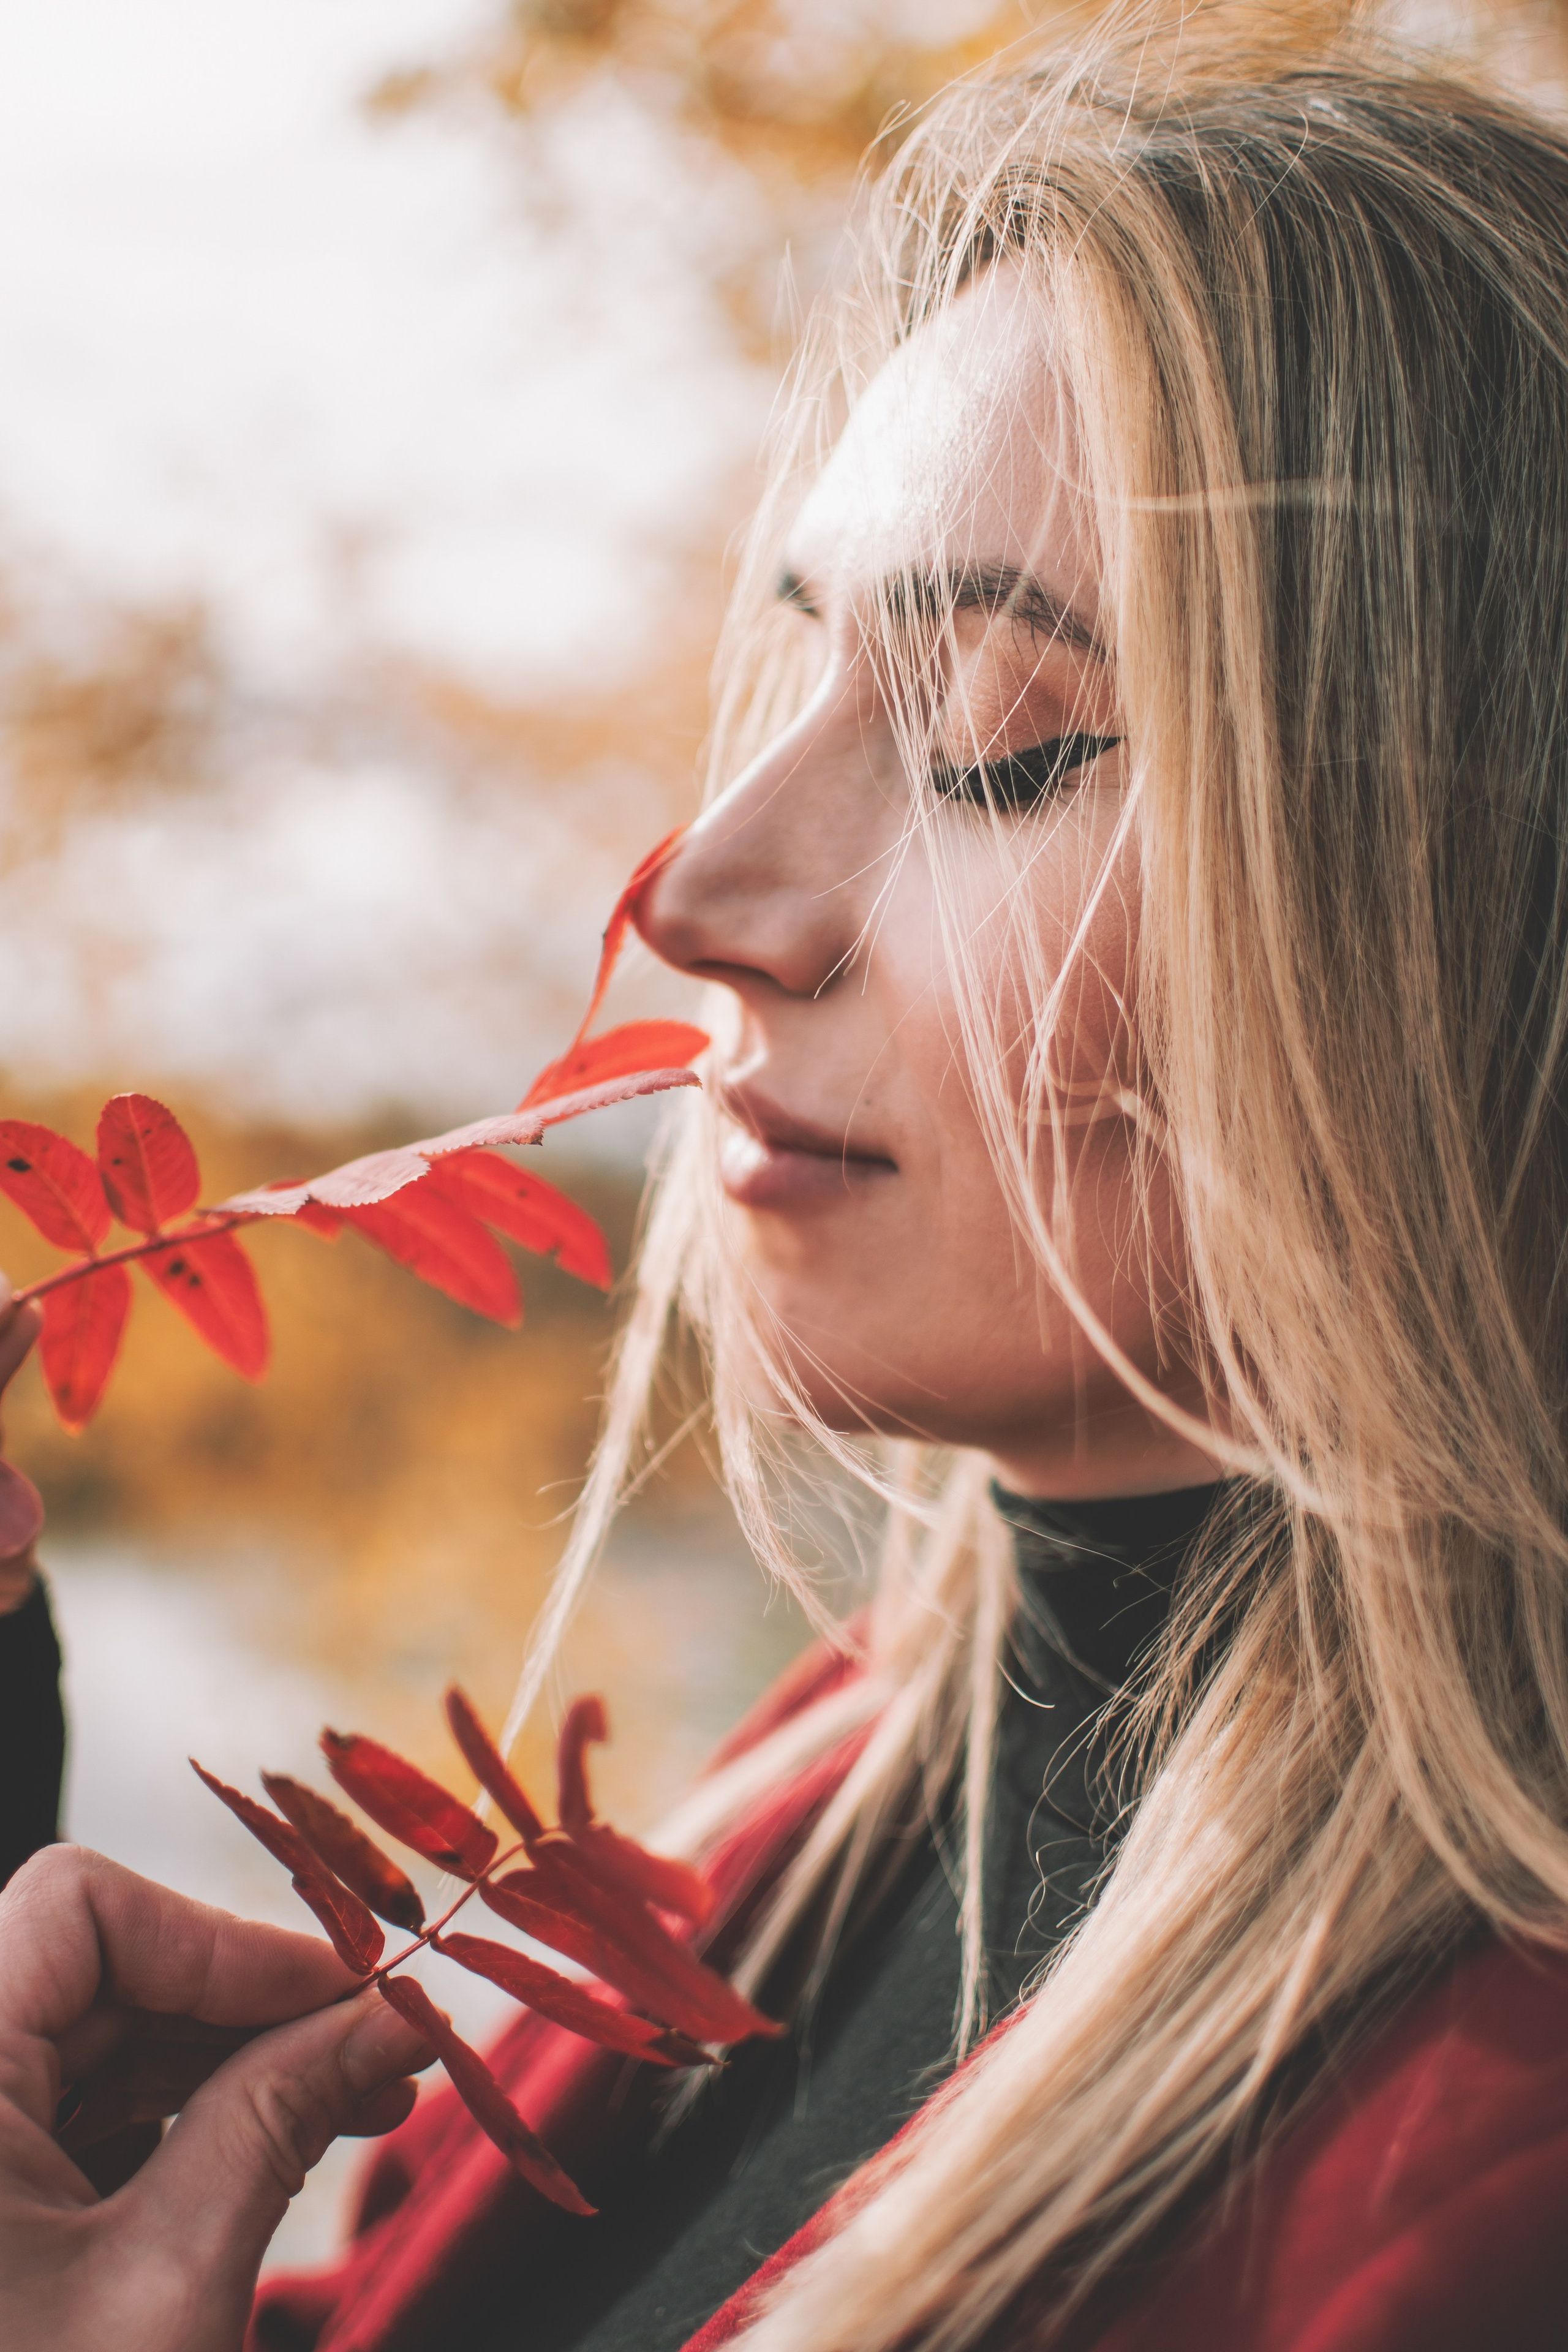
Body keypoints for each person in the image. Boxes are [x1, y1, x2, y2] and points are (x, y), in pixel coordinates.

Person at [5, 15, 1568, 2348]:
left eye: (995, 747)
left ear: (1468, 920)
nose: (704, 890)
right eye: (805, 679)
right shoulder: (803, 1810)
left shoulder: (1470, 2184)